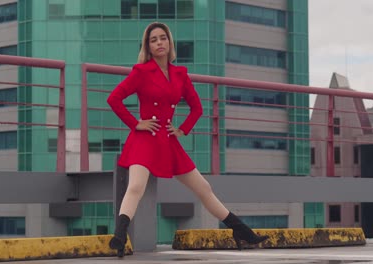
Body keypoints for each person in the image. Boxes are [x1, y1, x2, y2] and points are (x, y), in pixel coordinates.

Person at [107, 22, 268, 257]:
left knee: (203, 187)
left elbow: (197, 108)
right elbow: (114, 98)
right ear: (148, 47)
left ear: (169, 42)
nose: (159, 43)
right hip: (144, 138)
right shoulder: (141, 72)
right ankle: (119, 237)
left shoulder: (180, 74)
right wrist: (136, 123)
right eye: (154, 40)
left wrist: (182, 129)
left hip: (168, 141)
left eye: (163, 38)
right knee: (136, 186)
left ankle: (241, 230)